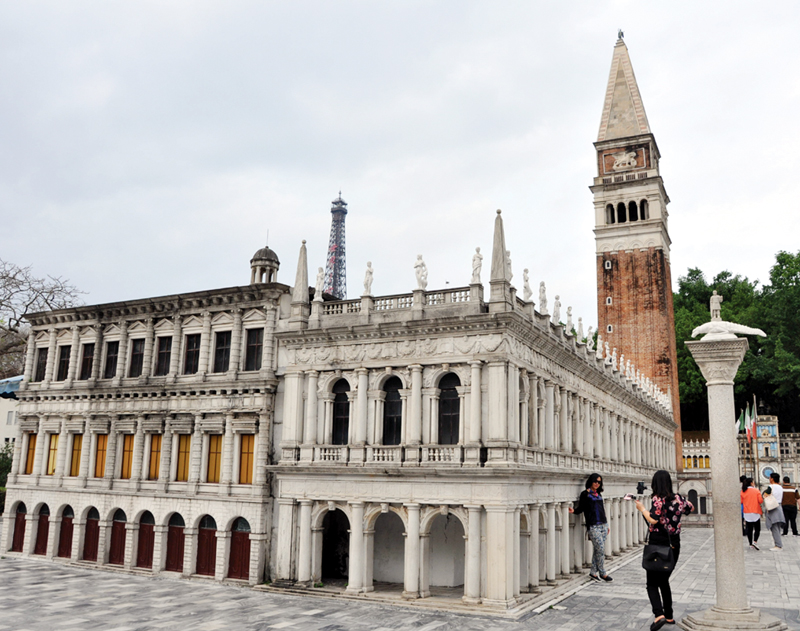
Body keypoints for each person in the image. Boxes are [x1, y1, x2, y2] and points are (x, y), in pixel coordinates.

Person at [635, 470, 693, 630]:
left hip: (658, 545)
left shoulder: (658, 500)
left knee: (652, 583)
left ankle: (658, 614)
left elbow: (653, 518)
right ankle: (668, 616)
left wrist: (641, 508)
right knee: (664, 580)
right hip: (674, 544)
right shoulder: (679, 498)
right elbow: (690, 507)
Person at [569, 473, 612, 582]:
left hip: (602, 524)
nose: (597, 484)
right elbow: (582, 508)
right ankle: (603, 573)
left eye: (599, 482)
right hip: (593, 526)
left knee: (598, 550)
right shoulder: (585, 494)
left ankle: (593, 572)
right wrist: (574, 511)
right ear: (591, 481)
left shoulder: (599, 495)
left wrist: (606, 525)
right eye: (595, 481)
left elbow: (602, 511)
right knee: (601, 549)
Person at [764, 472, 786, 550]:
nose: (769, 479)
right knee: (777, 527)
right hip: (779, 506)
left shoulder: (771, 486)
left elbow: (765, 494)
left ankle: (778, 545)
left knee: (774, 527)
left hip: (772, 507)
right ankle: (778, 543)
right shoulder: (780, 487)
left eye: (770, 478)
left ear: (772, 479)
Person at [741, 477, 763, 550]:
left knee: (749, 529)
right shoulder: (756, 491)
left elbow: (741, 501)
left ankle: (750, 544)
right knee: (757, 528)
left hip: (747, 512)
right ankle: (755, 541)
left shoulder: (743, 491)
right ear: (751, 483)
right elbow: (760, 501)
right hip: (755, 511)